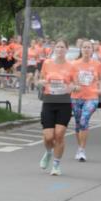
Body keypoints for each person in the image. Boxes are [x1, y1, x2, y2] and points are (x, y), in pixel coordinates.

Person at [37, 39, 76, 176]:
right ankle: (48, 153)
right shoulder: (47, 63)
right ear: (55, 49)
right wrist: (41, 82)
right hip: (49, 101)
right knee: (48, 137)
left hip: (64, 102)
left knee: (59, 135)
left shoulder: (71, 66)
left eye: (62, 47)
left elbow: (76, 84)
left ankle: (56, 165)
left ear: (66, 50)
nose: (60, 49)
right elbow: (41, 79)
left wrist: (72, 87)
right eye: (58, 47)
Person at [70, 39, 101, 161]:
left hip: (92, 97)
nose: (86, 49)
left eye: (89, 47)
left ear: (92, 50)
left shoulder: (97, 65)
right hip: (76, 97)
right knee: (78, 123)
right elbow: (69, 80)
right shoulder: (74, 64)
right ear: (81, 49)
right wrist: (73, 86)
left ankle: (82, 150)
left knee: (84, 120)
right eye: (84, 47)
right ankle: (79, 147)